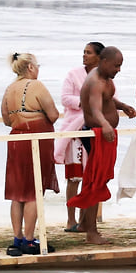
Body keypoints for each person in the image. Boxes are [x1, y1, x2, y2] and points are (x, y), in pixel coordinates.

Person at [0, 52, 60, 256]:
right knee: (35, 190)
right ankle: (29, 239)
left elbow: (6, 120)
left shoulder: (9, 89)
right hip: (36, 138)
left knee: (17, 193)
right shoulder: (36, 85)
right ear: (31, 67)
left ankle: (17, 239)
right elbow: (53, 114)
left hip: (16, 139)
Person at [73, 46, 131, 245]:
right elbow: (96, 109)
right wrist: (105, 124)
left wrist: (122, 106)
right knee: (95, 182)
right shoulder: (96, 81)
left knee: (97, 180)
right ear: (104, 62)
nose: (119, 70)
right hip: (95, 135)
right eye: (116, 66)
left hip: (104, 136)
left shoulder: (106, 79)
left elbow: (108, 99)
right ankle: (92, 232)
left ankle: (84, 224)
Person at [56, 41, 105, 232]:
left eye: (89, 53)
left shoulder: (104, 76)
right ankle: (71, 219)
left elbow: (108, 99)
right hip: (75, 128)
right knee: (74, 176)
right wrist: (87, 103)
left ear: (99, 57)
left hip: (95, 129)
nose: (84, 55)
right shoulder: (73, 74)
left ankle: (86, 219)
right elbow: (65, 98)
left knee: (90, 176)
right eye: (83, 52)